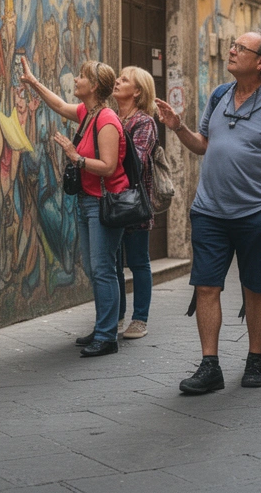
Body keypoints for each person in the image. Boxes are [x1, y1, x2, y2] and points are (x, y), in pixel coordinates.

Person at [154, 31, 261, 393]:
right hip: (209, 212)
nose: (231, 51)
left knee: (256, 288)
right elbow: (203, 145)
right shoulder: (219, 94)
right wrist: (178, 128)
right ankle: (210, 365)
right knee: (206, 286)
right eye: (232, 45)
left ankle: (255, 358)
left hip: (255, 213)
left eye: (240, 48)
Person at [22, 57, 129, 357]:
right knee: (94, 268)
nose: (76, 80)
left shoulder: (107, 119)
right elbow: (58, 105)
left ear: (94, 86)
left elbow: (108, 167)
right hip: (87, 201)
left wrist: (74, 156)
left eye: (82, 76)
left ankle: (108, 335)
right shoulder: (87, 113)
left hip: (103, 203)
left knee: (103, 268)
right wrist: (33, 82)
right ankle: (102, 326)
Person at [111, 66, 158, 340]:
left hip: (134, 202)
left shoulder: (144, 122)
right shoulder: (113, 117)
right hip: (111, 201)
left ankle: (140, 319)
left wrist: (107, 148)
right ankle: (115, 318)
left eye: (124, 79)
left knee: (138, 262)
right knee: (113, 263)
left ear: (137, 91)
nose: (117, 81)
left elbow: (137, 161)